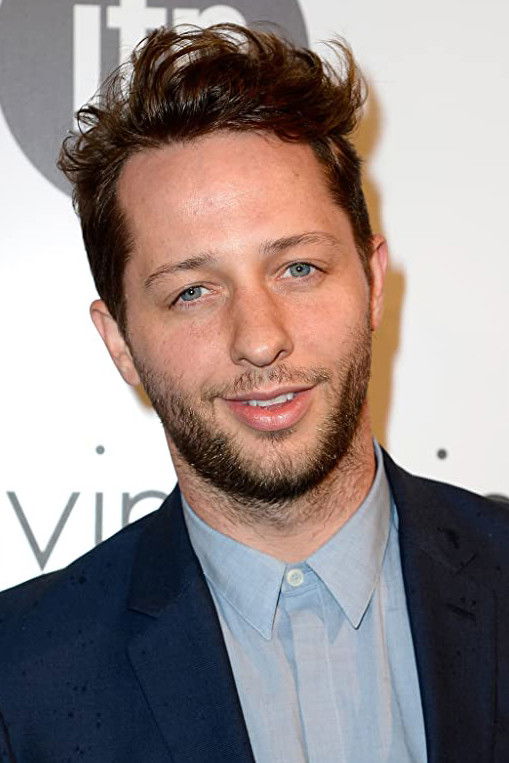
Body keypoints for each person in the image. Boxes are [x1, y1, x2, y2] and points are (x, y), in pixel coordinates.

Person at [0, 23, 508, 763]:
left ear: (372, 283)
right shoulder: (20, 680)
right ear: (120, 343)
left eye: (298, 268)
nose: (260, 338)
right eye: (193, 291)